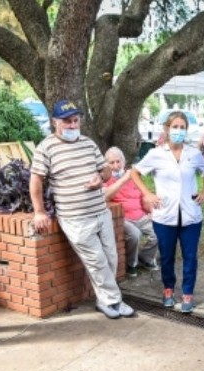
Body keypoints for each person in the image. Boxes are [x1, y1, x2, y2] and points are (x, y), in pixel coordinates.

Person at [30, 99, 135, 320]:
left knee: (111, 258)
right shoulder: (46, 147)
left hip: (100, 212)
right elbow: (36, 180)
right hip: (75, 218)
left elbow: (105, 169)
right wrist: (39, 211)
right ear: (55, 122)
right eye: (67, 121)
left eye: (75, 121)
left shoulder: (88, 143)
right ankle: (114, 301)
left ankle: (104, 300)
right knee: (96, 261)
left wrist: (101, 178)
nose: (72, 126)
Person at [130, 112, 204, 313]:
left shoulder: (193, 154)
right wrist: (147, 193)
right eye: (175, 127)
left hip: (191, 215)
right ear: (167, 129)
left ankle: (187, 294)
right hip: (164, 216)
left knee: (190, 256)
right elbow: (135, 172)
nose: (178, 131)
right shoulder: (156, 154)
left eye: (182, 127)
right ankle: (168, 290)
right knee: (166, 256)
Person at [102, 146, 159, 278]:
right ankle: (131, 264)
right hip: (124, 218)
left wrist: (151, 211)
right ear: (106, 164)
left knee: (159, 231)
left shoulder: (132, 175)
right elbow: (106, 196)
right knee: (135, 234)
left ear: (124, 162)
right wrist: (123, 180)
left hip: (141, 215)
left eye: (118, 161)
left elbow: (143, 195)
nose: (116, 166)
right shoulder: (105, 178)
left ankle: (146, 258)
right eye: (111, 163)